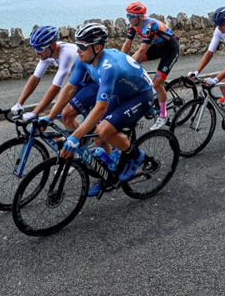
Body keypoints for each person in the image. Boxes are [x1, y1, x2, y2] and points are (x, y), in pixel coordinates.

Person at [42, 23, 155, 196]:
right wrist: (49, 116)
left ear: (97, 47)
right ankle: (109, 173)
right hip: (121, 93)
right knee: (98, 137)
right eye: (77, 44)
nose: (77, 50)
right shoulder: (84, 60)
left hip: (141, 95)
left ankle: (136, 156)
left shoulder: (108, 67)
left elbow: (100, 107)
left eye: (82, 46)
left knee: (104, 130)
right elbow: (70, 88)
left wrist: (75, 137)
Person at [120, 1, 180, 130]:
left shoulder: (150, 25)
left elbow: (142, 50)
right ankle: (145, 90)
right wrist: (119, 61)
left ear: (140, 16)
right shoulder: (133, 25)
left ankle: (163, 115)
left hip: (171, 49)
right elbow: (127, 44)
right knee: (132, 62)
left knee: (157, 83)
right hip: (158, 47)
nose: (129, 19)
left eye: (131, 16)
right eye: (127, 16)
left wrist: (126, 66)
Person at [10, 25, 81, 121]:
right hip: (78, 80)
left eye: (39, 49)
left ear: (51, 46)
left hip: (93, 81)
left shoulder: (66, 54)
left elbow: (55, 87)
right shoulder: (47, 54)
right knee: (60, 113)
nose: (37, 53)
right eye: (35, 48)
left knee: (65, 114)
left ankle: (79, 135)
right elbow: (35, 77)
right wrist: (19, 103)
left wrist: (35, 113)